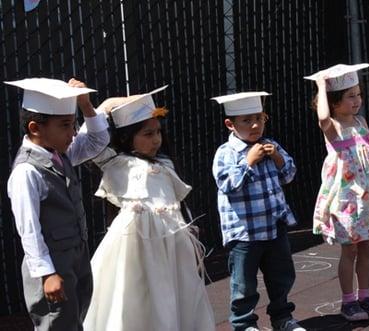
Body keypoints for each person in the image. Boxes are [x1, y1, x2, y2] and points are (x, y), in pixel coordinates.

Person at [82, 86, 215, 331]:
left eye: (158, 132)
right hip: (135, 250)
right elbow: (93, 141)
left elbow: (175, 204)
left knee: (176, 298)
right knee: (134, 299)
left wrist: (189, 233)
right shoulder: (116, 163)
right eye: (147, 134)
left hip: (172, 248)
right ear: (125, 137)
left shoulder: (164, 164)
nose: (156, 140)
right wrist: (102, 106)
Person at [6, 77, 109, 330]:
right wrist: (46, 273)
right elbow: (28, 229)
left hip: (76, 256)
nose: (73, 134)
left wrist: (86, 106)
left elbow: (98, 141)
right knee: (56, 323)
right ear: (35, 128)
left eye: (74, 125)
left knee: (75, 320)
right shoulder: (27, 171)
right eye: (65, 126)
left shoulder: (61, 154)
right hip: (52, 264)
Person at [304, 64, 369, 321]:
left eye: (358, 94)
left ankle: (365, 296)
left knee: (366, 247)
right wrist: (321, 85)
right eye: (350, 96)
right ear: (333, 102)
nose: (357, 100)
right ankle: (348, 301)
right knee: (349, 250)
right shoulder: (333, 126)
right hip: (346, 199)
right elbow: (321, 119)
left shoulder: (361, 122)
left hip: (365, 197)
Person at [211, 92, 305, 331]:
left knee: (281, 276)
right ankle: (244, 324)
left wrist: (276, 157)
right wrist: (248, 161)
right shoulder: (226, 152)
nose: (254, 125)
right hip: (244, 233)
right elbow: (227, 184)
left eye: (259, 118)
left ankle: (282, 318)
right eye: (246, 120)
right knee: (244, 284)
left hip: (274, 226)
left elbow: (289, 175)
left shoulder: (270, 145)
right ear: (230, 124)